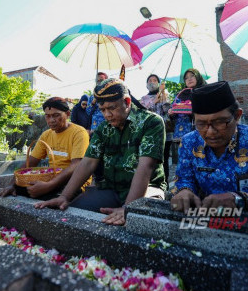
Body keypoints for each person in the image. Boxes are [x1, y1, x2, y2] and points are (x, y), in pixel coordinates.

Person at [36, 79, 167, 226]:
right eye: (102, 110)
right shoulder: (104, 128)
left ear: (127, 102)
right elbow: (88, 162)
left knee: (139, 222)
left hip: (147, 189)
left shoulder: (151, 122)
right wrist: (65, 196)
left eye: (111, 108)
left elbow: (146, 167)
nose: (107, 115)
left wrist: (128, 208)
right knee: (71, 215)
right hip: (112, 188)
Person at [170, 81, 248, 214]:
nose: (210, 132)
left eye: (220, 122)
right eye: (201, 124)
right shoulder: (189, 142)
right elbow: (184, 178)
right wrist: (184, 191)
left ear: (237, 116)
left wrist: (239, 199)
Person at [0, 97, 90, 200]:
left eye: (56, 115)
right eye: (48, 116)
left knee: (47, 197)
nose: (51, 120)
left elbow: (76, 165)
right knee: (18, 190)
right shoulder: (46, 135)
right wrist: (12, 184)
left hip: (73, 183)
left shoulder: (79, 133)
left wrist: (50, 185)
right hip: (51, 179)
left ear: (68, 114)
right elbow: (30, 162)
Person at [140, 74, 173, 183]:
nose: (152, 82)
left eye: (155, 80)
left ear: (159, 84)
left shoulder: (164, 95)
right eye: (150, 80)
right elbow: (143, 113)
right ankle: (151, 183)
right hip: (149, 133)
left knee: (164, 160)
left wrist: (163, 96)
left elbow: (167, 112)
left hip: (165, 133)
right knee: (150, 159)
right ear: (146, 84)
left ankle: (165, 184)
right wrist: (154, 102)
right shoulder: (144, 99)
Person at [169, 68, 206, 142]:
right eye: (186, 78)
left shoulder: (205, 92)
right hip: (182, 133)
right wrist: (171, 113)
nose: (189, 79)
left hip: (201, 132)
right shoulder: (181, 95)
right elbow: (172, 110)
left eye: (192, 76)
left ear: (198, 77)